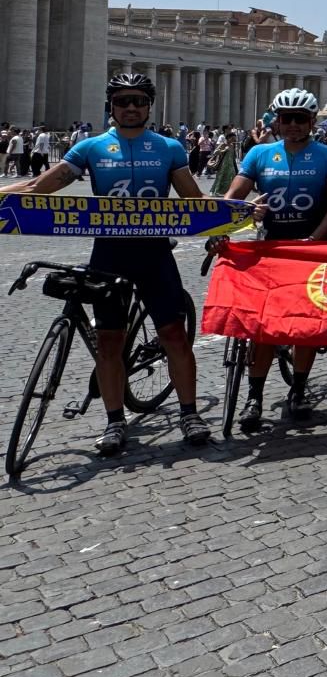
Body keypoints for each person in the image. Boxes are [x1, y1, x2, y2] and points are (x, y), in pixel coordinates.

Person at [0, 73, 213, 454]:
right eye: (122, 101)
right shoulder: (91, 148)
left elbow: (194, 201)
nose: (130, 107)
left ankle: (189, 413)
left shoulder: (169, 148)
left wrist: (236, 215)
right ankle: (115, 421)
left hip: (154, 253)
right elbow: (38, 189)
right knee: (109, 342)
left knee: (175, 337)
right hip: (109, 254)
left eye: (138, 101)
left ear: (149, 105)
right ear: (111, 106)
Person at [220, 89, 327, 432]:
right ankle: (255, 396)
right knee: (262, 328)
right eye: (286, 119)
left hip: (311, 248)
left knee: (304, 326)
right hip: (272, 246)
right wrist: (241, 215)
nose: (293, 125)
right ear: (276, 121)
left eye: (301, 119)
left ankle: (299, 388)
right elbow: (234, 195)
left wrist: (316, 240)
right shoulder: (260, 153)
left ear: (311, 122)